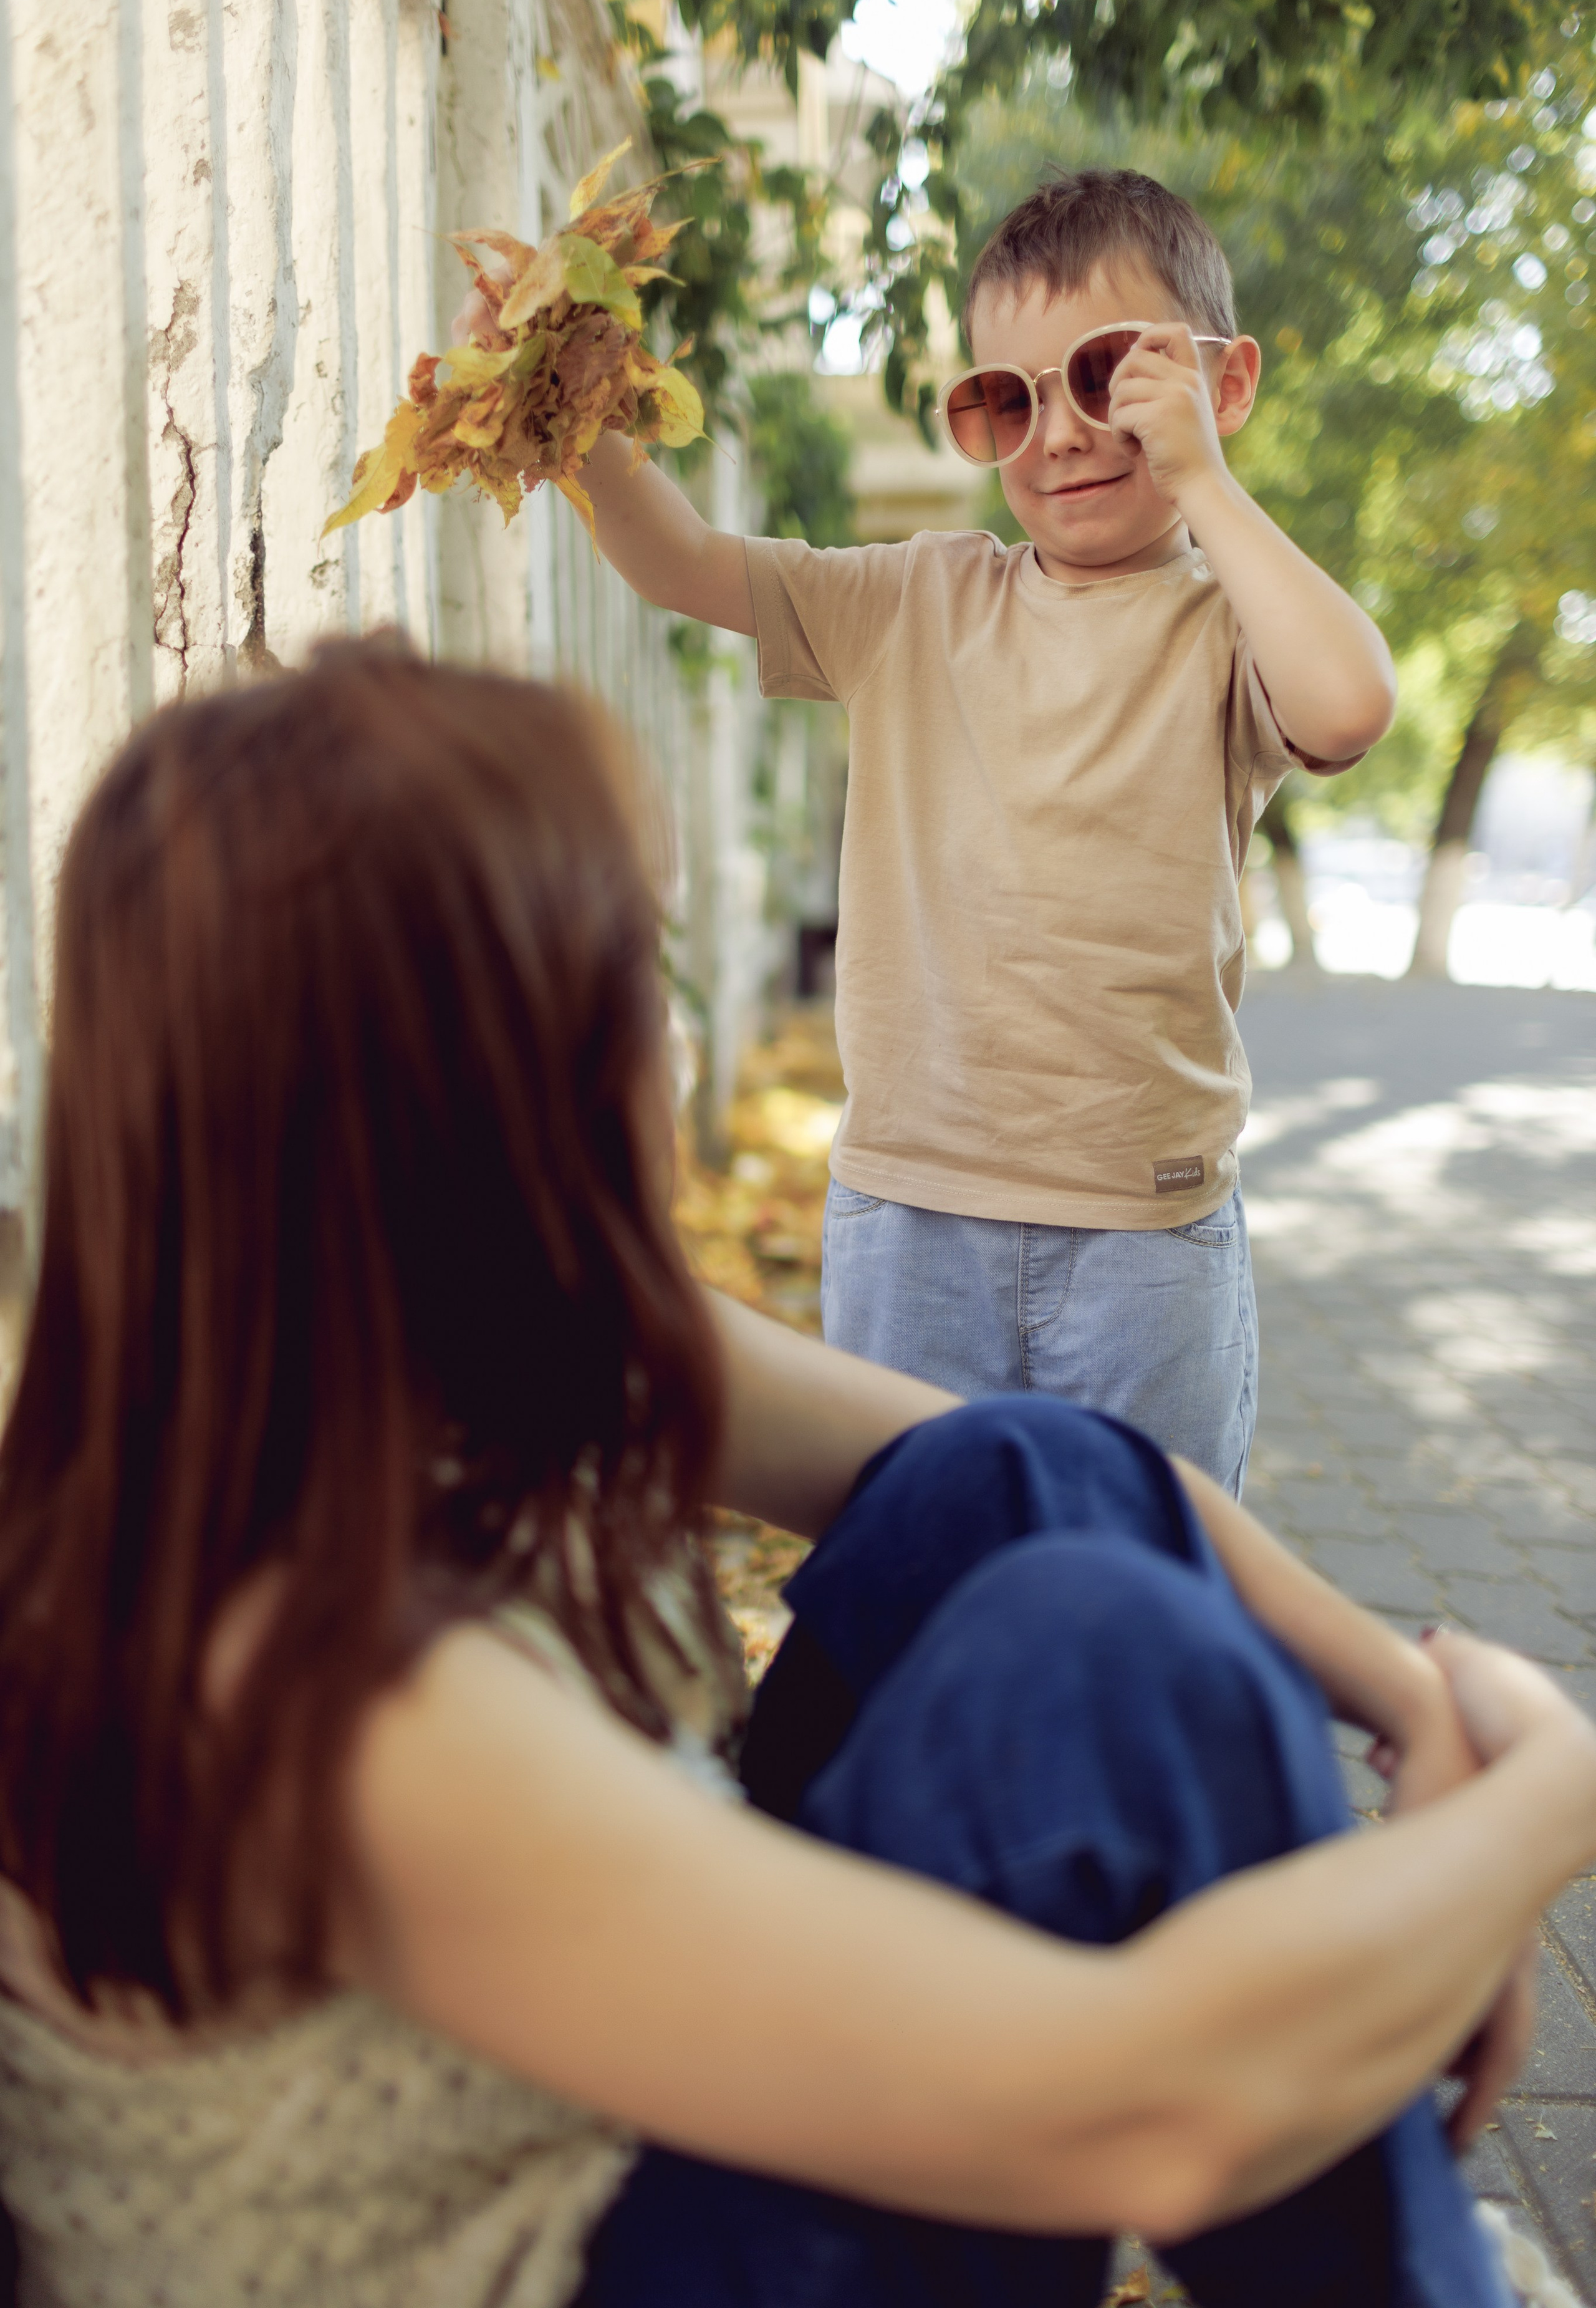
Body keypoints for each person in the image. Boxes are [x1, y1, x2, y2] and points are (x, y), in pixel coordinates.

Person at [0, 643, 1585, 2308]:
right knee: (1105, 1665)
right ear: (480, 1085)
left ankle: (1397, 2254)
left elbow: (1060, 1474)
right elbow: (1146, 2108)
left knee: (1014, 1488)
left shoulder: (440, 1347)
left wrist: (1414, 1709)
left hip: (655, 2153)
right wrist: (1530, 1817)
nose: (675, 1041)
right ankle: (1414, 2275)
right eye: (636, 968)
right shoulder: (322, 1695)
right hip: (583, 2247)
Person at [499, 166, 1398, 1495]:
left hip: (1141, 1229)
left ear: (1222, 385)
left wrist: (1201, 478)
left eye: (1105, 377)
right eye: (1003, 399)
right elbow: (682, 559)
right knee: (917, 1572)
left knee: (1137, 1593)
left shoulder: (1224, 629)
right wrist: (564, 399)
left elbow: (1350, 702)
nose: (1059, 433)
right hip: (907, 1215)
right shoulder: (913, 600)